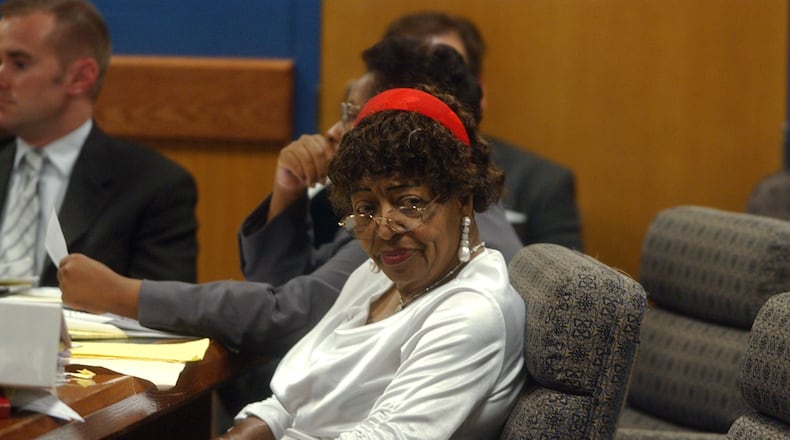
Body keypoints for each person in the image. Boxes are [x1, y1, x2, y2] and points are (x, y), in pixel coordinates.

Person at [220, 86, 525, 440]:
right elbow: (290, 403)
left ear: (463, 200)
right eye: (365, 208)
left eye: (409, 203)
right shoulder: (378, 276)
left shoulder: (472, 313)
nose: (383, 230)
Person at [0, 0, 198, 286]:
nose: (1, 77)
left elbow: (164, 316)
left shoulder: (154, 186)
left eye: (19, 64)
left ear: (80, 78)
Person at [384, 11, 583, 250]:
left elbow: (560, 285)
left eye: (445, 77)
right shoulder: (360, 180)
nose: (429, 96)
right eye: (412, 80)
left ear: (479, 89)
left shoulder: (542, 184)